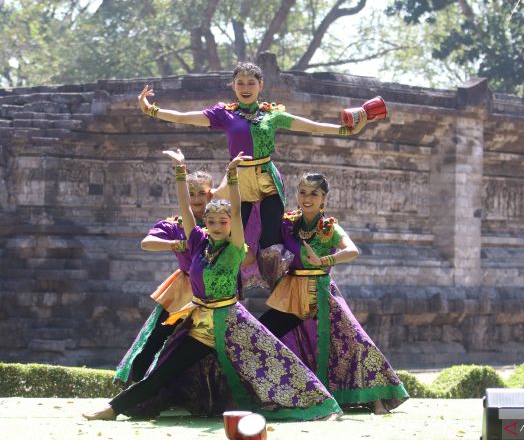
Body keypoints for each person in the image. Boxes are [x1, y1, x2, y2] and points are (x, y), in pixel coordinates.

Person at [83, 152, 341, 421]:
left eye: (223, 222)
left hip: (232, 324)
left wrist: (232, 176)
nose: (217, 226)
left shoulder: (234, 249)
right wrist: (180, 170)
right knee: (164, 370)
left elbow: (239, 209)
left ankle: (325, 406)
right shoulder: (196, 243)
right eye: (212, 221)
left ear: (231, 225)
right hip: (202, 323)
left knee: (277, 363)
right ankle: (113, 409)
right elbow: (185, 206)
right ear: (204, 223)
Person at [137, 62, 387, 267]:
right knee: (236, 238)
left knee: (271, 237)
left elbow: (312, 125)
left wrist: (346, 130)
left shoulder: (272, 114)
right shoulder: (224, 114)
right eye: (240, 83)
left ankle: (287, 277)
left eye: (251, 83)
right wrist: (152, 110)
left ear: (260, 85)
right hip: (238, 181)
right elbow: (184, 117)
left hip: (267, 178)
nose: (246, 88)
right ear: (233, 86)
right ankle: (226, 283)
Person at [258, 173, 409, 414]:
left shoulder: (328, 226)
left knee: (353, 343)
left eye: (314, 194)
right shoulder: (287, 223)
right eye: (303, 192)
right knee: (262, 335)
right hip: (291, 293)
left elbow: (352, 250)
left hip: (322, 294)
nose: (307, 198)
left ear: (323, 199)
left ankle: (375, 397)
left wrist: (325, 259)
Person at [114, 171, 214, 385]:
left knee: (210, 345)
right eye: (191, 194)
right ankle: (137, 388)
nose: (196, 199)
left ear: (210, 196)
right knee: (158, 337)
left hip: (213, 291)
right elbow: (146, 243)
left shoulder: (220, 222)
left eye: (201, 193)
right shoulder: (173, 225)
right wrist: (176, 244)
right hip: (183, 290)